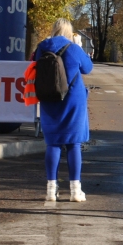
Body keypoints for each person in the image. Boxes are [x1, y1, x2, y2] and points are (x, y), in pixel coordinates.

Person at [35, 18, 94, 203]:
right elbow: (88, 68)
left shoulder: (42, 47)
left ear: (53, 30)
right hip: (72, 100)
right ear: (69, 32)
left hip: (49, 98)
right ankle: (76, 190)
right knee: (73, 144)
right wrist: (78, 46)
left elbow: (32, 64)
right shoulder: (73, 48)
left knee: (53, 144)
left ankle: (51, 190)